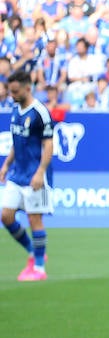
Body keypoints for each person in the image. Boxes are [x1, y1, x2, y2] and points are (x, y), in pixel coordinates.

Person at [2, 69, 53, 281]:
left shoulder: (39, 112)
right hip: (16, 174)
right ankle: (34, 251)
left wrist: (41, 172)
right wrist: (6, 165)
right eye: (10, 91)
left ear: (27, 88)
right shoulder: (16, 109)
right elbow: (17, 142)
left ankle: (39, 269)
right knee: (6, 216)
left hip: (34, 175)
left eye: (15, 91)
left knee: (34, 220)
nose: (12, 95)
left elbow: (49, 144)